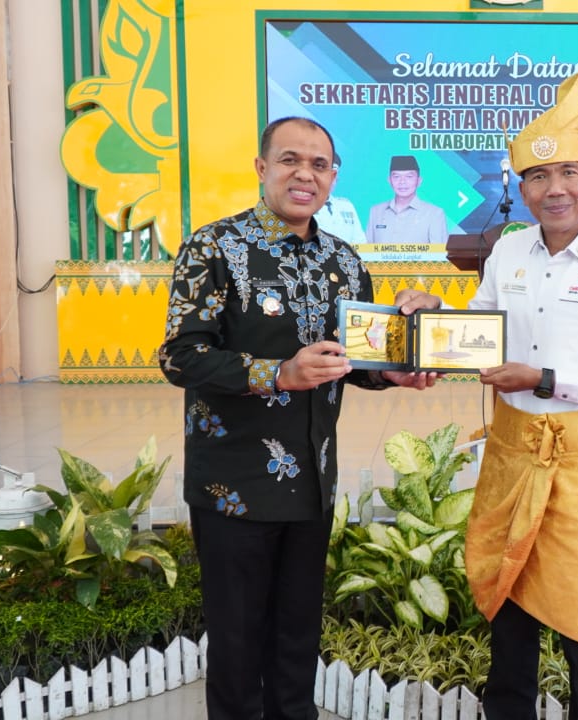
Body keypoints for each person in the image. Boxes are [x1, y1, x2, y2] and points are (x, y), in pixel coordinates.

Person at [398, 73, 578, 719]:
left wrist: (544, 379)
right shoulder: (509, 252)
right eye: (539, 177)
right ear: (522, 190)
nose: (555, 189)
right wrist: (434, 316)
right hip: (511, 457)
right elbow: (481, 331)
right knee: (508, 602)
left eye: (569, 172)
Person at [158, 116, 433, 720]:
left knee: (297, 637)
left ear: (334, 177)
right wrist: (277, 373)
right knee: (237, 643)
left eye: (319, 164)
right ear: (262, 168)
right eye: (290, 160)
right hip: (234, 487)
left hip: (312, 482)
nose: (305, 174)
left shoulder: (343, 260)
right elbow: (180, 356)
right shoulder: (215, 247)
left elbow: (352, 361)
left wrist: (390, 373)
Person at [366, 155, 447, 245]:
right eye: (396, 176)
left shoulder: (434, 214)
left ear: (419, 181)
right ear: (389, 180)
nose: (402, 182)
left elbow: (439, 252)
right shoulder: (376, 211)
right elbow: (366, 250)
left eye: (409, 176)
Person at [314, 152, 365, 245]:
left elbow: (360, 242)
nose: (330, 180)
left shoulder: (346, 206)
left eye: (333, 176)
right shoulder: (302, 206)